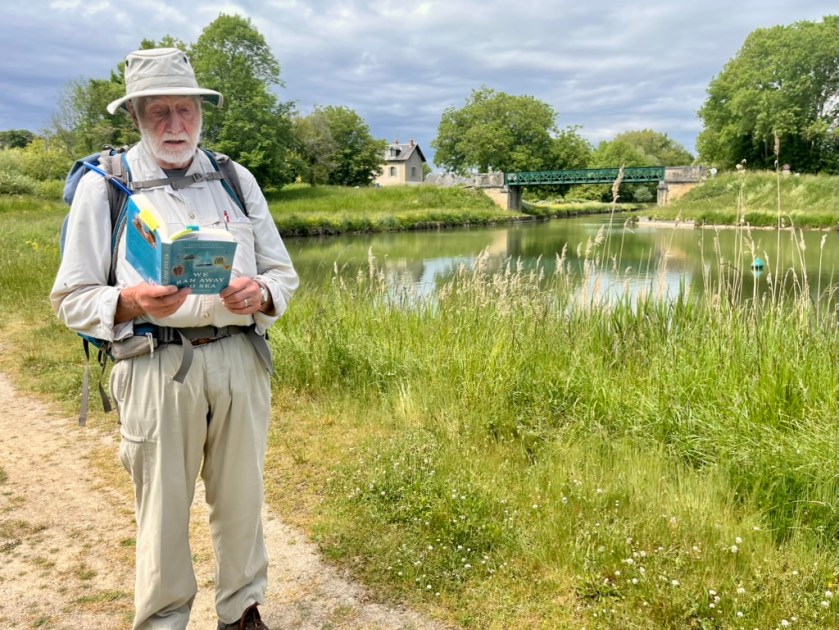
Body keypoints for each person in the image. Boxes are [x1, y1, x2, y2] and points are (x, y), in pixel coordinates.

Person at [51, 47, 298, 630]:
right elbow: (71, 297)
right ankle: (163, 621)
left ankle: (242, 612)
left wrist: (259, 295)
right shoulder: (106, 187)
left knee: (242, 503)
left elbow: (282, 274)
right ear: (134, 115)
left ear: (200, 112)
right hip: (154, 364)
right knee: (161, 511)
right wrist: (130, 301)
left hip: (240, 357)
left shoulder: (235, 178)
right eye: (157, 112)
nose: (174, 125)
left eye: (184, 109)